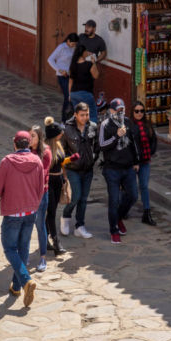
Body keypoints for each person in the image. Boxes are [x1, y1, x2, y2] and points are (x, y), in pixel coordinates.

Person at [0, 131, 45, 308]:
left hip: (13, 213)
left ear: (15, 145)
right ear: (28, 145)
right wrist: (35, 205)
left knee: (9, 249)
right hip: (30, 212)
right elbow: (40, 187)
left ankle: (26, 280)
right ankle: (16, 287)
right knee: (23, 247)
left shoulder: (7, 162)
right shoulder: (37, 161)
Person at [98, 98, 140, 244]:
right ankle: (113, 230)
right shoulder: (105, 125)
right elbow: (102, 145)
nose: (120, 112)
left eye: (122, 109)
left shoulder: (127, 122)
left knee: (133, 196)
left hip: (128, 168)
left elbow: (133, 143)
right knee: (114, 200)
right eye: (117, 110)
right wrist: (117, 136)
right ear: (111, 110)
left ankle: (119, 217)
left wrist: (136, 161)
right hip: (112, 169)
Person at [61, 101, 99, 239]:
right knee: (75, 196)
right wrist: (69, 160)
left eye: (87, 115)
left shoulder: (93, 127)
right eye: (82, 115)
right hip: (73, 169)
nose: (85, 118)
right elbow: (62, 150)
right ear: (76, 115)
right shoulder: (67, 129)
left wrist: (93, 158)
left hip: (88, 169)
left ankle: (79, 226)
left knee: (83, 198)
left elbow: (97, 147)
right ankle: (65, 217)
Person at [28, 125, 52, 273]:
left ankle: (43, 256)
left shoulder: (46, 152)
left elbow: (41, 173)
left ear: (39, 137)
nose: (30, 139)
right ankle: (25, 255)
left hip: (41, 194)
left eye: (33, 136)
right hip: (27, 194)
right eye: (29, 135)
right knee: (26, 225)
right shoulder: (27, 150)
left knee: (40, 225)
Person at [131, 101, 158, 225]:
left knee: (144, 187)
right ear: (132, 112)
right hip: (133, 163)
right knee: (129, 189)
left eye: (141, 111)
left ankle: (147, 212)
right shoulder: (129, 126)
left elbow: (153, 140)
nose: (139, 113)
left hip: (145, 161)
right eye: (137, 111)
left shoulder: (147, 124)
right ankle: (123, 209)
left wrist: (150, 152)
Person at [43, 118, 66, 256]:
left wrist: (64, 179)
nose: (62, 133)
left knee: (53, 211)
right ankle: (56, 243)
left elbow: (61, 163)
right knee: (51, 213)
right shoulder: (46, 149)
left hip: (58, 180)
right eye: (60, 132)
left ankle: (45, 240)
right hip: (49, 182)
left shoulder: (58, 145)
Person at [47, 32, 79, 121]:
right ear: (68, 41)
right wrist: (60, 70)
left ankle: (71, 118)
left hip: (71, 75)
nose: (73, 45)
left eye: (75, 44)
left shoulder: (73, 48)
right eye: (72, 43)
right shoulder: (61, 47)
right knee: (67, 96)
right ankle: (64, 120)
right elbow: (50, 59)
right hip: (62, 76)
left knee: (72, 96)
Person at [68, 43, 99, 123]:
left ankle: (79, 133)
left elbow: (70, 81)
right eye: (86, 51)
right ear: (83, 53)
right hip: (86, 94)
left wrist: (69, 94)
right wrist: (94, 62)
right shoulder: (89, 64)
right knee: (91, 115)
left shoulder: (73, 65)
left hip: (74, 93)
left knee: (78, 115)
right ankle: (91, 133)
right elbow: (96, 76)